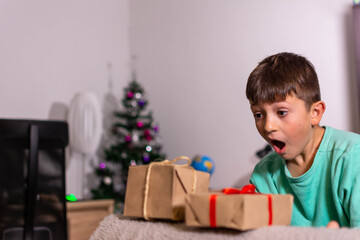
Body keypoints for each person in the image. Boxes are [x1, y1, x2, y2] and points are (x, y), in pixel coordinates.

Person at [246, 52, 360, 228]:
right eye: (258, 114)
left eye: (281, 112)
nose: (268, 126)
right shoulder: (264, 175)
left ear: (315, 113)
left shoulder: (353, 156)